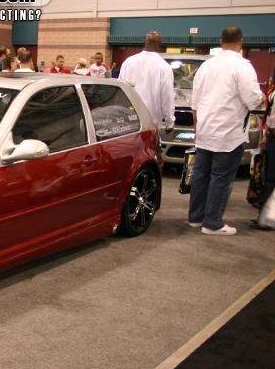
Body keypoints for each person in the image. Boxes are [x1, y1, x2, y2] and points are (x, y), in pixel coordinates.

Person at [188, 26, 265, 235]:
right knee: (221, 178)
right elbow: (253, 100)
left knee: (201, 176)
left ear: (221, 41)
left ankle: (196, 218)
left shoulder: (206, 65)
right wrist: (262, 97)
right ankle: (212, 223)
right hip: (228, 133)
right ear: (241, 42)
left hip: (205, 130)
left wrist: (198, 129)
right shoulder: (243, 67)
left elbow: (195, 102)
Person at [118, 31, 175, 133]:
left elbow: (119, 90)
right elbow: (167, 97)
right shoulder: (164, 67)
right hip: (150, 122)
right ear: (160, 44)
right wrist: (169, 122)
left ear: (145, 42)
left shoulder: (128, 62)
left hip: (127, 119)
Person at [255, 70, 275, 223]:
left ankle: (266, 216)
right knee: (269, 176)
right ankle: (265, 215)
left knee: (271, 177)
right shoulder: (272, 92)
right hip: (271, 135)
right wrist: (265, 135)